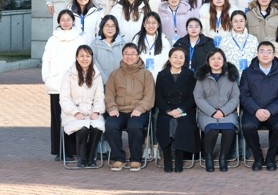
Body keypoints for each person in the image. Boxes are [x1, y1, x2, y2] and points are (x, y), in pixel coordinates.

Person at [238, 41, 278, 170]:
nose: (265, 54)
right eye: (262, 51)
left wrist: (270, 111)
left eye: (269, 52)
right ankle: (258, 158)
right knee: (247, 126)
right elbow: (244, 94)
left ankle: (270, 158)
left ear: (274, 55)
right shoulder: (248, 72)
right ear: (257, 54)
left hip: (274, 112)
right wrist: (256, 110)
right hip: (253, 111)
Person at [103, 43, 155, 172]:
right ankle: (118, 158)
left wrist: (140, 109)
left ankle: (135, 159)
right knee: (110, 125)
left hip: (138, 111)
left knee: (134, 126)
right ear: (122, 55)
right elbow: (109, 94)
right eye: (126, 53)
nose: (129, 56)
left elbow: (149, 96)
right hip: (119, 111)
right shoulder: (115, 74)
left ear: (138, 56)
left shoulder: (146, 74)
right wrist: (112, 108)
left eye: (133, 54)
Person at [44, 10, 87, 159]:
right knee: (58, 119)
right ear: (59, 22)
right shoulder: (52, 40)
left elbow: (85, 60)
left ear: (73, 21)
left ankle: (75, 150)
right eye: (63, 19)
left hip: (75, 85)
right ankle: (60, 151)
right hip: (56, 86)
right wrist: (47, 79)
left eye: (68, 19)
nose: (66, 22)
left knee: (74, 117)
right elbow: (46, 61)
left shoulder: (80, 39)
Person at [193, 48, 239, 172]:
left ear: (224, 61)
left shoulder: (230, 76)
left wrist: (223, 111)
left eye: (219, 58)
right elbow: (198, 97)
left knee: (229, 130)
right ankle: (208, 157)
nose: (216, 61)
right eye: (213, 59)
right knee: (212, 130)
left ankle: (223, 158)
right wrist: (213, 112)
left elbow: (235, 97)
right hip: (206, 113)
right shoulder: (202, 77)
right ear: (208, 61)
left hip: (227, 112)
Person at [153, 46, 197, 173]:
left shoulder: (190, 74)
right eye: (175, 57)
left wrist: (180, 109)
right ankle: (167, 159)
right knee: (165, 123)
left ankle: (179, 159)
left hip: (184, 109)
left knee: (182, 124)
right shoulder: (162, 75)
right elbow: (159, 97)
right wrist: (168, 111)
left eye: (181, 57)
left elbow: (192, 97)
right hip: (166, 110)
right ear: (169, 58)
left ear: (185, 60)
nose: (178, 60)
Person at [60, 45, 105, 169]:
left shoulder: (96, 75)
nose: (85, 59)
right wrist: (75, 112)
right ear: (76, 58)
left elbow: (99, 97)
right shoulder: (69, 75)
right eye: (82, 56)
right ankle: (82, 157)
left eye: (87, 56)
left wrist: (96, 111)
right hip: (73, 113)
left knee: (97, 127)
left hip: (91, 112)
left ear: (91, 58)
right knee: (83, 127)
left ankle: (91, 158)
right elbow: (64, 98)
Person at [91, 16, 126, 81]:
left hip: (119, 82)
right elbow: (93, 63)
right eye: (107, 26)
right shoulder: (95, 44)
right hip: (100, 82)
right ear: (102, 27)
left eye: (113, 26)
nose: (110, 28)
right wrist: (105, 80)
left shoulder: (123, 44)